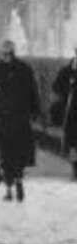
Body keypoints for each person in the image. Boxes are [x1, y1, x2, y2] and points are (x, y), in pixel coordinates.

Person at [0, 39, 41, 202]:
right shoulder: (24, 68)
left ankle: (9, 188)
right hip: (19, 119)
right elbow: (34, 92)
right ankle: (17, 181)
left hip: (1, 119)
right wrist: (35, 111)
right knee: (18, 152)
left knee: (5, 153)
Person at [50, 45, 77, 181]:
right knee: (73, 143)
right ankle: (75, 169)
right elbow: (56, 87)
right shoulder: (66, 71)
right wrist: (69, 87)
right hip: (71, 112)